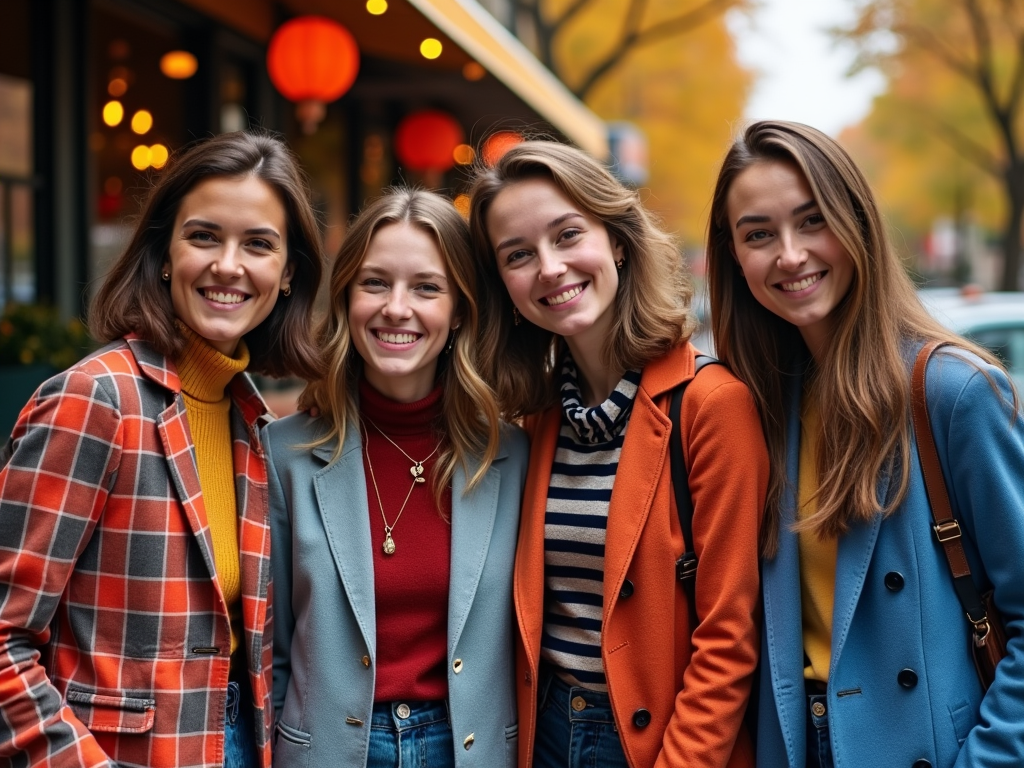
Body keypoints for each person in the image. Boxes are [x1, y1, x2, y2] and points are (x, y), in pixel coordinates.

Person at [0, 130, 324, 768]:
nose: (228, 265)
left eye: (257, 244)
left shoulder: (254, 420)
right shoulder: (98, 398)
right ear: (164, 253)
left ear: (286, 275)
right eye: (204, 236)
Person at [706, 119, 1024, 768]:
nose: (789, 254)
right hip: (798, 741)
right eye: (759, 234)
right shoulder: (757, 402)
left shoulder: (952, 392)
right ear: (734, 257)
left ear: (858, 224)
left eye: (812, 220)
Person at [468, 141, 769, 768]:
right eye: (518, 255)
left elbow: (729, 635)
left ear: (618, 241)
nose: (549, 268)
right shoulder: (539, 417)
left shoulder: (711, 404)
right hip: (544, 732)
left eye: (567, 234)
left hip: (659, 744)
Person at [265, 187, 528, 768]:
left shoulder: (512, 454)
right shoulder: (283, 453)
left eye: (426, 287)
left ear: (459, 309)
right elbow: (273, 649)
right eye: (375, 282)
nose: (396, 307)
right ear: (347, 298)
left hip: (470, 749)